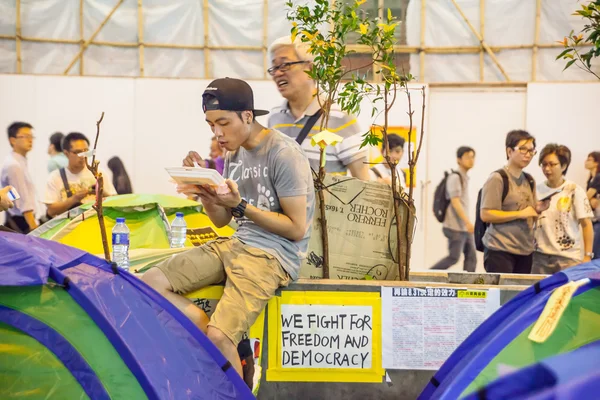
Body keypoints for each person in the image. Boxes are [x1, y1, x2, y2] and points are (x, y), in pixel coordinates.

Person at [142, 78, 315, 380]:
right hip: (237, 243)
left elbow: (297, 229)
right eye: (211, 125)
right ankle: (203, 325)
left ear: (247, 116)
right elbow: (222, 221)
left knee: (220, 336)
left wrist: (240, 206)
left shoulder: (283, 154)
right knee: (150, 283)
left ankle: (228, 360)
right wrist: (206, 194)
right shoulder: (233, 153)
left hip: (273, 256)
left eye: (223, 123)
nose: (217, 134)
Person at [267, 36, 370, 180]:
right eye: (274, 67)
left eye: (285, 65)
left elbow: (363, 181)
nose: (278, 73)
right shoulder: (275, 117)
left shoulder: (340, 118)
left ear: (310, 68)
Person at [480, 130, 549, 274]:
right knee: (503, 295)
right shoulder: (498, 178)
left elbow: (527, 211)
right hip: (500, 249)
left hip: (525, 250)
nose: (528, 154)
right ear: (509, 151)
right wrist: (520, 214)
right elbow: (486, 214)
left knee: (520, 295)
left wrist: (537, 208)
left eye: (531, 150)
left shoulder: (529, 180)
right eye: (523, 149)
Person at [532, 144, 594, 274]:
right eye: (544, 164)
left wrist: (588, 255)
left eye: (552, 164)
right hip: (539, 258)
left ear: (564, 166)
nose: (547, 169)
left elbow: (586, 225)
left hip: (568, 259)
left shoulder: (574, 190)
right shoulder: (536, 190)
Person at [43, 132, 117, 218]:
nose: (83, 156)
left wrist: (101, 192)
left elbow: (115, 201)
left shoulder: (99, 173)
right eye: (77, 152)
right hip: (69, 228)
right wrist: (74, 199)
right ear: (66, 153)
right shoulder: (55, 177)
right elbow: (51, 210)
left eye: (86, 151)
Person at [431, 146, 477, 272]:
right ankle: (430, 273)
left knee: (471, 256)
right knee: (454, 257)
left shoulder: (464, 177)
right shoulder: (455, 177)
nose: (471, 160)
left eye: (473, 157)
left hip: (463, 226)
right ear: (458, 160)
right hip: (454, 226)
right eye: (467, 157)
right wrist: (467, 222)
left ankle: (469, 284)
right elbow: (455, 201)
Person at [1, 122, 38, 233]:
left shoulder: (20, 162)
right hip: (21, 222)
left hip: (23, 220)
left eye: (31, 136)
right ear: (13, 140)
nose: (30, 140)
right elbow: (23, 200)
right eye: (26, 136)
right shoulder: (14, 165)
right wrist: (34, 228)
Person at [584, 151, 600, 259]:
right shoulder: (591, 179)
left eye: (589, 159)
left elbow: (586, 197)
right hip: (594, 218)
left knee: (596, 252)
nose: (586, 162)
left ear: (596, 163)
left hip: (598, 220)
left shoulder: (598, 177)